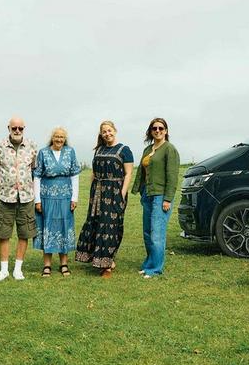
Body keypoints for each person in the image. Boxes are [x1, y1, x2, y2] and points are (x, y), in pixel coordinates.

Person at [76, 120, 134, 278]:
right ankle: (97, 258)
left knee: (111, 227)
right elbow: (94, 173)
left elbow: (128, 174)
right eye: (104, 132)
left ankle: (108, 264)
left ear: (115, 130)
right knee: (95, 223)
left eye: (109, 130)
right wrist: (92, 191)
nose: (107, 134)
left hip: (115, 192)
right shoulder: (99, 149)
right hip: (97, 192)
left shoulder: (124, 150)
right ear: (101, 134)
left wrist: (122, 193)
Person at [0, 116, 39, 282]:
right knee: (4, 233)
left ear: (24, 128)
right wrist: (2, 187)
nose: (17, 131)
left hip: (26, 198)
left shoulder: (32, 146)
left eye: (20, 128)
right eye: (14, 128)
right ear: (8, 128)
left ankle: (18, 269)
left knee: (24, 233)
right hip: (5, 198)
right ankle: (3, 270)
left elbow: (34, 171)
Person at [132, 118, 180, 279]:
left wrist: (168, 199)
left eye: (161, 128)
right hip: (147, 194)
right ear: (150, 131)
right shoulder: (148, 150)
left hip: (161, 196)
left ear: (166, 131)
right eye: (154, 128)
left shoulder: (169, 149)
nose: (157, 131)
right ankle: (148, 265)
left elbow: (172, 176)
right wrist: (140, 190)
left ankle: (155, 269)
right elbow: (142, 172)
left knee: (157, 233)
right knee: (147, 232)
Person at [33, 127, 81, 277]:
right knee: (47, 227)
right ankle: (47, 265)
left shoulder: (70, 152)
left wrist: (75, 198)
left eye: (62, 137)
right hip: (47, 197)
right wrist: (37, 200)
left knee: (64, 227)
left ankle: (64, 264)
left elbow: (74, 176)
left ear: (65, 139)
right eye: (56, 136)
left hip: (65, 197)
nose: (59, 139)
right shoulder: (43, 152)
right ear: (52, 138)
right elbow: (37, 176)